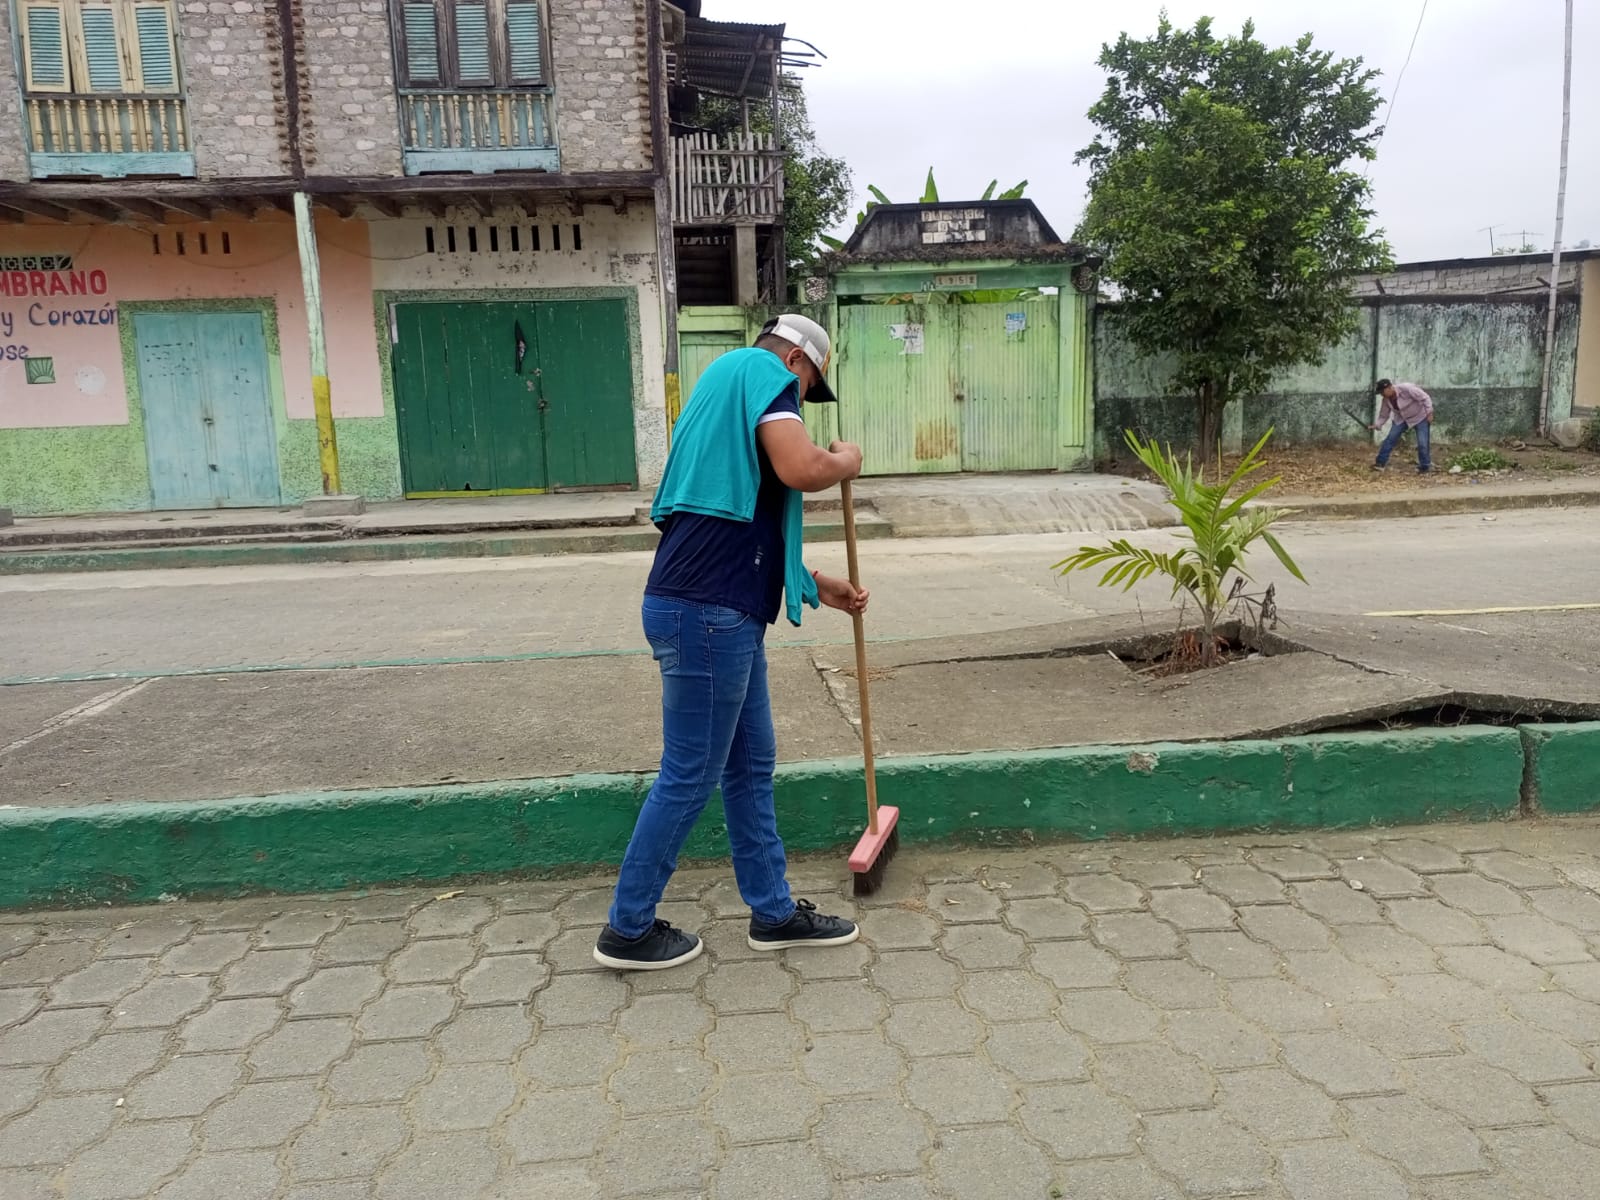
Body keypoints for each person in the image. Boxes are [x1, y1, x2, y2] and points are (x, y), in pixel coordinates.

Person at [593, 314, 870, 971]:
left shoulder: (720, 390)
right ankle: (628, 929)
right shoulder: (760, 370)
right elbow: (801, 467)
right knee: (690, 773)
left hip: (716, 609)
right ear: (797, 362)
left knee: (748, 765)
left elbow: (734, 525)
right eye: (807, 389)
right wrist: (846, 460)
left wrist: (813, 583)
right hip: (707, 614)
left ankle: (773, 913)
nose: (800, 401)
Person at [1370, 378, 1434, 474]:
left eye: (1382, 392)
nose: (1382, 395)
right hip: (1402, 419)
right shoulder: (1386, 400)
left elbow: (1425, 398)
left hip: (1420, 416)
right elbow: (1384, 415)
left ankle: (1425, 467)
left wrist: (1429, 413)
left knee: (1422, 443)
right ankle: (1380, 463)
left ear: (1389, 388)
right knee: (1390, 439)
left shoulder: (1407, 389)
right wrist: (1377, 425)